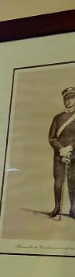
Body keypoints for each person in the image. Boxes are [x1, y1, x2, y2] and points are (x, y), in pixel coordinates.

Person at [50, 87, 75, 219]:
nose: (69, 101)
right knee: (58, 182)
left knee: (73, 182)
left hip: (74, 155)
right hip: (59, 155)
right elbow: (52, 138)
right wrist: (61, 149)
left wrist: (70, 148)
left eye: (71, 98)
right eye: (66, 98)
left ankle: (73, 208)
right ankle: (57, 207)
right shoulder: (57, 118)